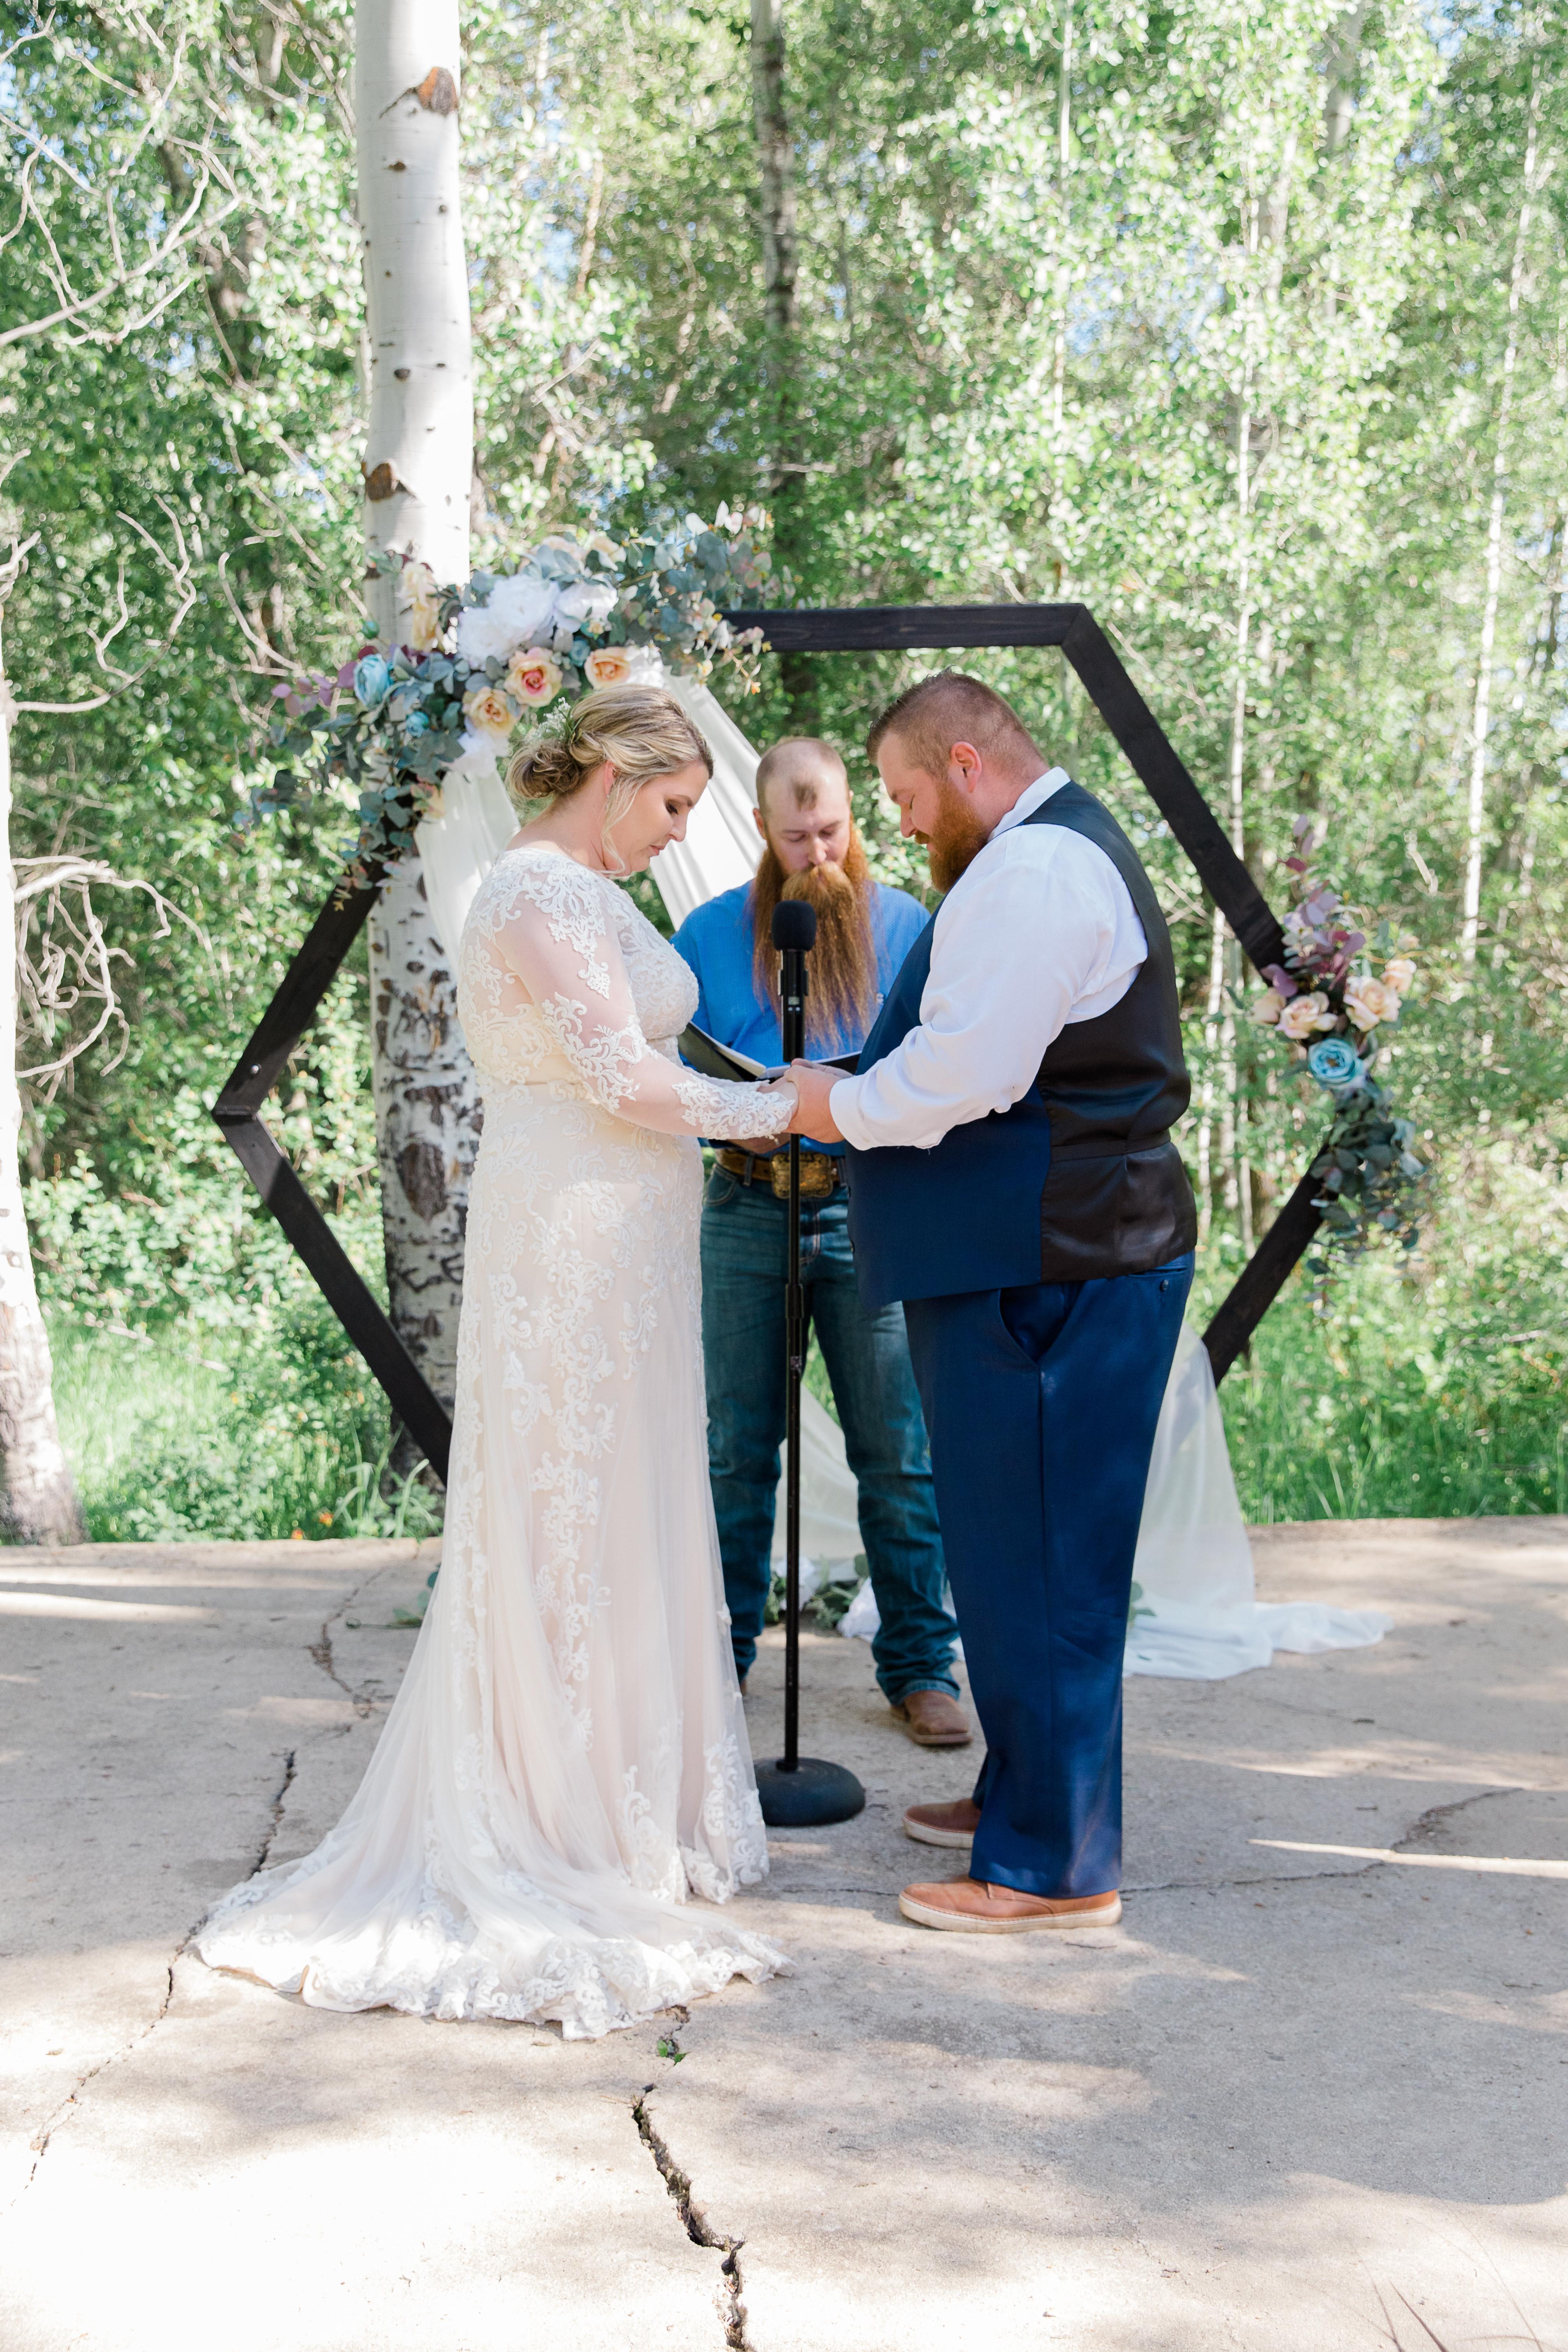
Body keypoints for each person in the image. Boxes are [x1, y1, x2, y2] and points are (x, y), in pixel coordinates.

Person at [199, 685, 797, 2036]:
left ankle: (634, 1796)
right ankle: (558, 1810)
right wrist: (783, 1110)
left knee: (629, 1492)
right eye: (672, 804)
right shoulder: (535, 894)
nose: (678, 832)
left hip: (631, 1234)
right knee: (568, 1502)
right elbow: (622, 1080)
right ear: (613, 772)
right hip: (571, 1235)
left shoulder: (589, 891)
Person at [787, 673, 1196, 1935]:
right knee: (1009, 1550)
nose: (904, 824)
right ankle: (1023, 1795)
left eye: (907, 796)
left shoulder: (1035, 870)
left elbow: (967, 1073)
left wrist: (833, 1106)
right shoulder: (1036, 854)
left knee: (1046, 1563)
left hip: (1057, 1263)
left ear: (963, 765)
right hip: (1032, 1253)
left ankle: (1053, 1869)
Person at [671, 738, 969, 1746]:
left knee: (898, 1450)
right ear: (761, 829)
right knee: (736, 1451)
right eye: (796, 837)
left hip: (867, 1203)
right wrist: (737, 1111)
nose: (817, 854)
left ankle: (921, 1669)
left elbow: (941, 1058)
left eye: (832, 831)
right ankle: (721, 1662)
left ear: (854, 819)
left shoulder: (907, 925)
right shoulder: (708, 934)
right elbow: (674, 1073)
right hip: (746, 1204)